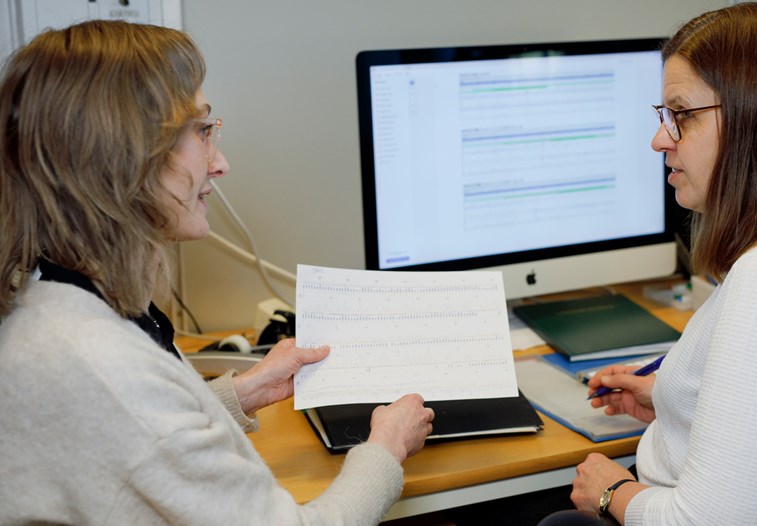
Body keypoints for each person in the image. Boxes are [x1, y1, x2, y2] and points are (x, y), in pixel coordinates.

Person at [0, 20, 434, 524]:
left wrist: (244, 392)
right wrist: (385, 448)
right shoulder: (98, 362)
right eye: (202, 132)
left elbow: (133, 442)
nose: (220, 163)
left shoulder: (60, 297)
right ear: (125, 157)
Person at [540, 3, 757, 525]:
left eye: (680, 115)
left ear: (755, 120)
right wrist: (676, 400)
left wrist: (610, 491)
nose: (660, 138)